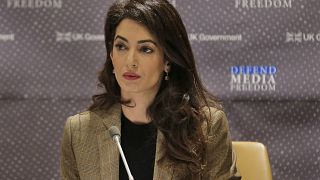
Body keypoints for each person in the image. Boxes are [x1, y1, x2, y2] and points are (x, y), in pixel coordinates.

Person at [60, 0, 241, 179]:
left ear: (167, 61)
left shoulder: (207, 128)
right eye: (121, 46)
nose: (130, 61)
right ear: (111, 54)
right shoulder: (79, 132)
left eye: (145, 49)